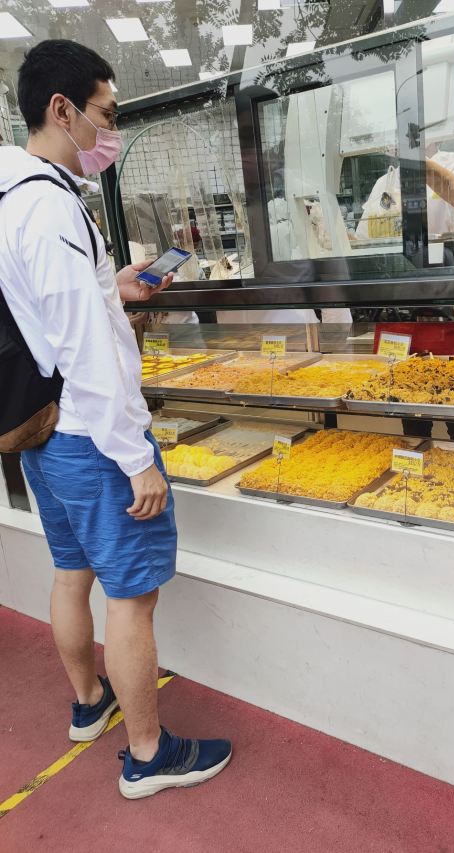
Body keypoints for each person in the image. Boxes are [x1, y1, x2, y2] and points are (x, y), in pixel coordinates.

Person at [0, 40, 232, 799]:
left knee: (71, 572)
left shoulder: (11, 195)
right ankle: (148, 754)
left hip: (42, 435)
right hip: (91, 438)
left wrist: (113, 285)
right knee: (131, 598)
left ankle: (88, 704)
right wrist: (135, 457)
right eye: (105, 112)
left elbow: (49, 310)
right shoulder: (50, 207)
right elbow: (88, 350)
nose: (112, 130)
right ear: (60, 109)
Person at [355, 145, 454, 242]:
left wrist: (412, 157)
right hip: (395, 270)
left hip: (447, 268)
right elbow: (362, 240)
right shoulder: (384, 182)